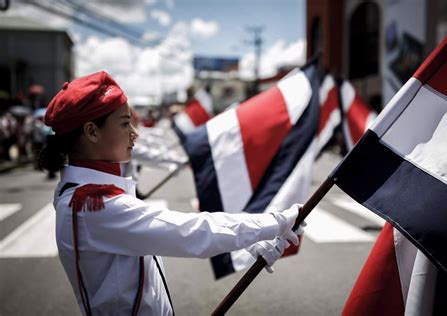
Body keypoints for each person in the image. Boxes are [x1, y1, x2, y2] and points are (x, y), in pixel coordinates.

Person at [39, 71, 305, 315]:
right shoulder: (92, 205)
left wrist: (251, 243)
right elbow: (192, 231)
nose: (134, 134)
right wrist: (275, 222)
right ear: (91, 131)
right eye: (123, 124)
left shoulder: (84, 195)